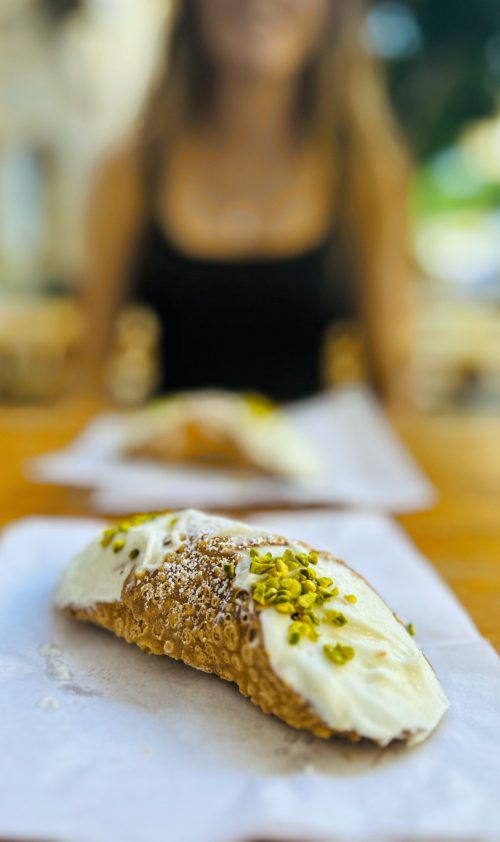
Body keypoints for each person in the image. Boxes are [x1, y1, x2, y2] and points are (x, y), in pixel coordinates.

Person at [84, 0, 411, 404]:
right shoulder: (132, 169)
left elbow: (395, 381)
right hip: (172, 459)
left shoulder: (367, 174)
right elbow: (87, 373)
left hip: (315, 461)